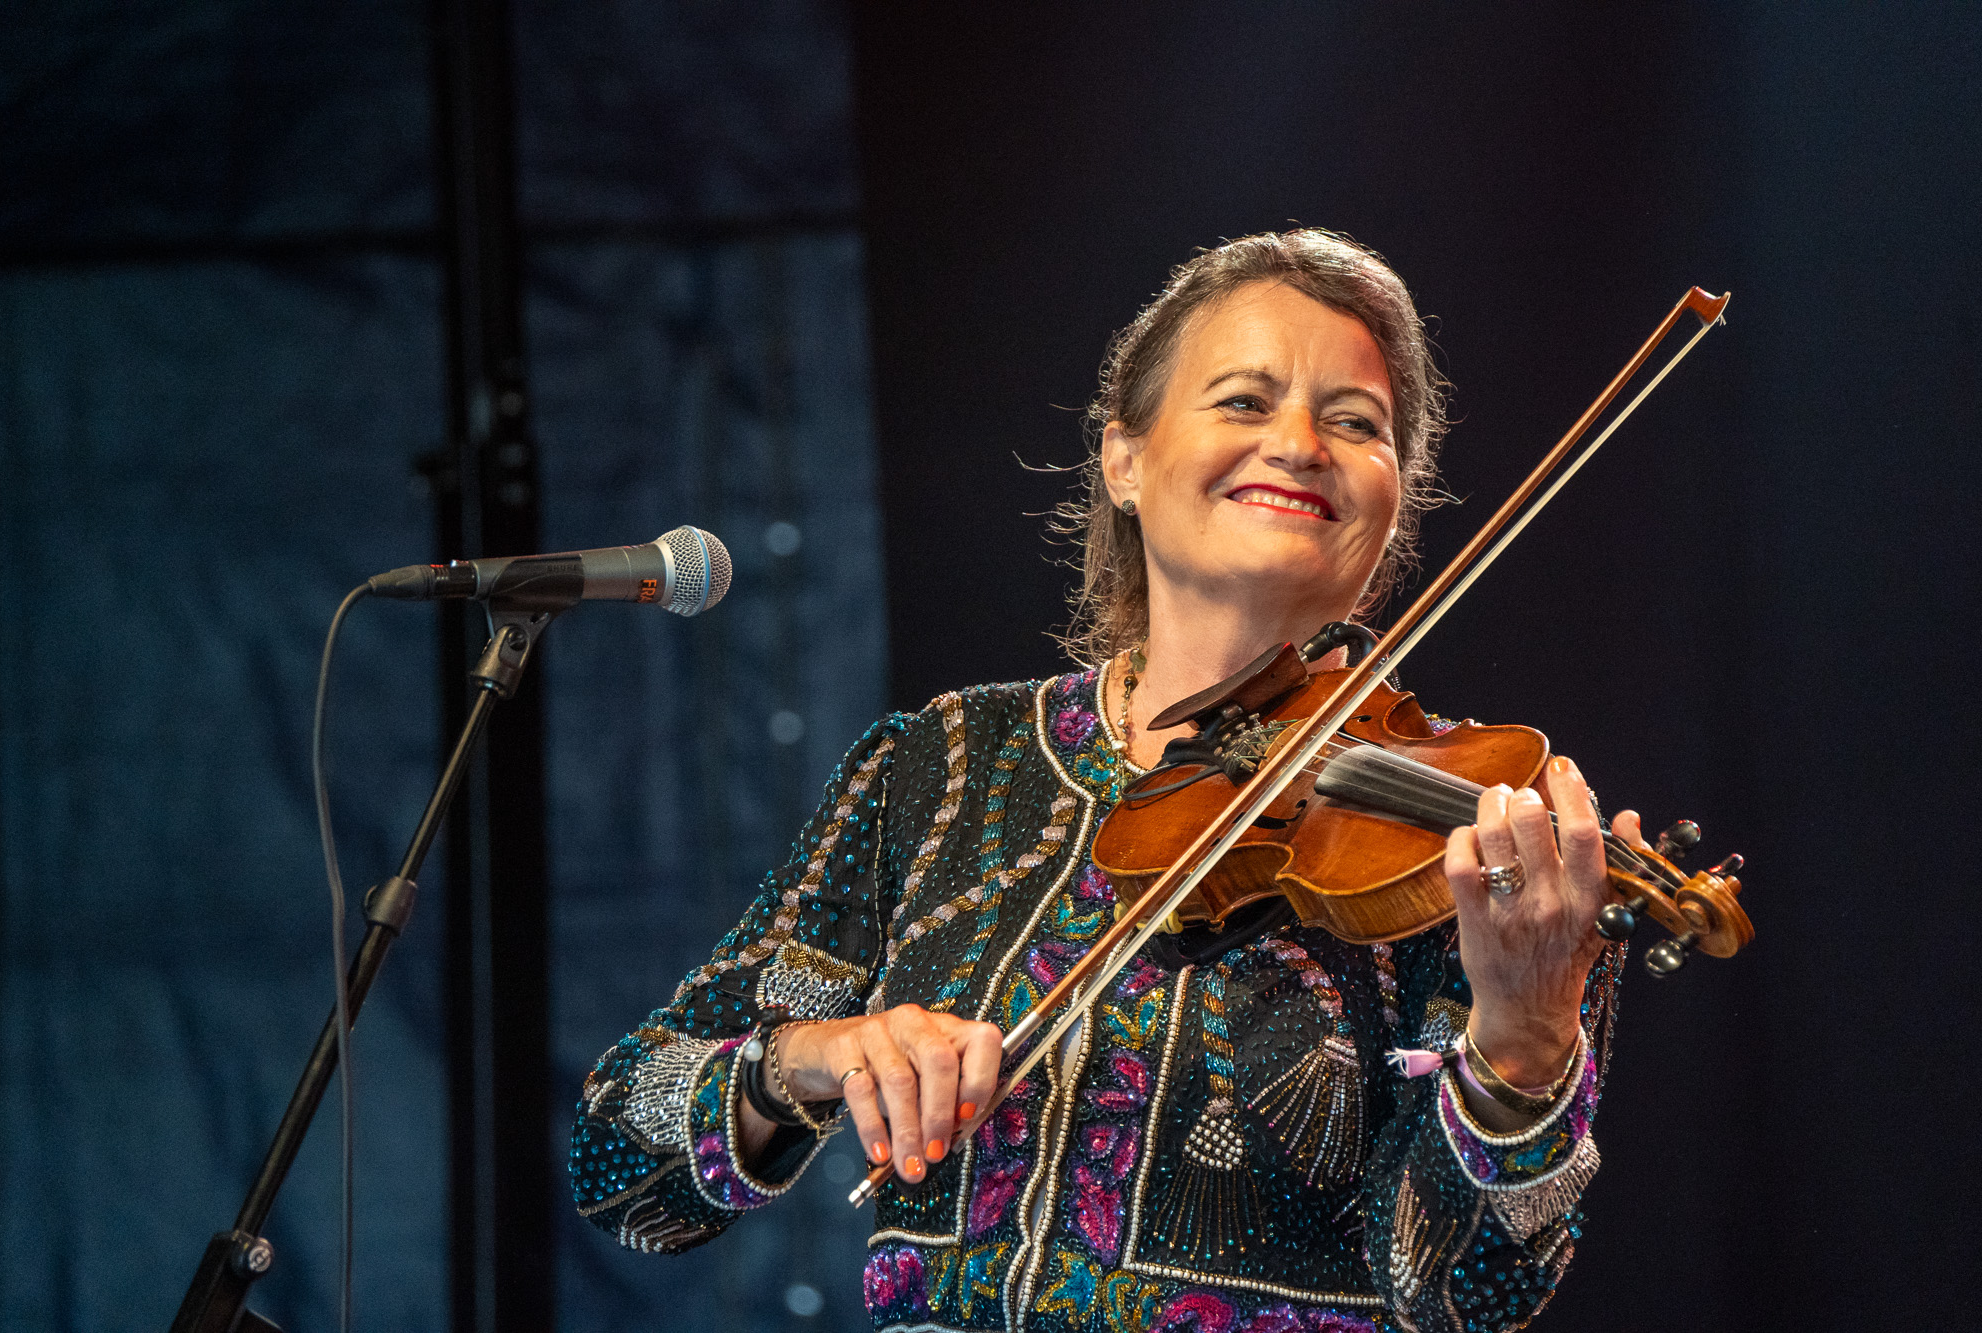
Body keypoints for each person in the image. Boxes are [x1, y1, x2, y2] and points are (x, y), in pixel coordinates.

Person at [569, 230, 1634, 1333]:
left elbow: (1459, 1295)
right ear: (1124, 460)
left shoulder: (1486, 842)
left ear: (1394, 496)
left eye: (1356, 423)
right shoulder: (941, 765)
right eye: (1243, 401)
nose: (1298, 444)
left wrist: (1524, 1039)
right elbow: (619, 1166)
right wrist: (810, 1057)